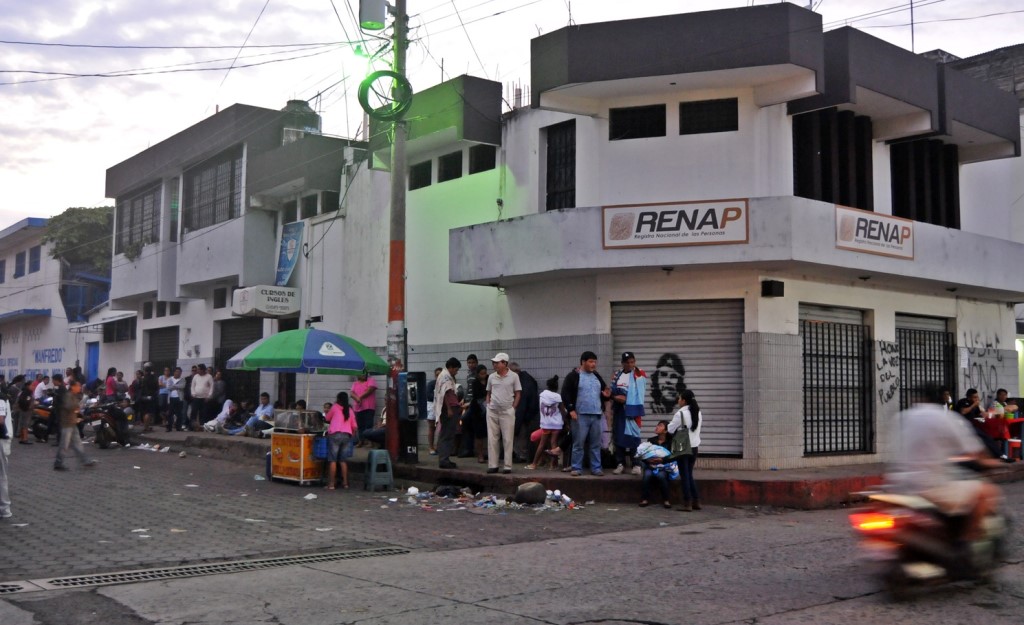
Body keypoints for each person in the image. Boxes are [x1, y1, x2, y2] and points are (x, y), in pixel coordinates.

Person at [888, 383, 1003, 545]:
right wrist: (992, 462)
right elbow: (975, 451)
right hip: (931, 485)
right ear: (941, 398)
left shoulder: (902, 417)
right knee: (986, 492)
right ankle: (966, 541)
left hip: (901, 485)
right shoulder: (945, 417)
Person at [561, 351, 611, 477]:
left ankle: (596, 468)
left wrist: (606, 395)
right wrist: (571, 409)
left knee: (595, 443)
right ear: (583, 362)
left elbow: (604, 391)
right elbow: (565, 394)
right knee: (578, 443)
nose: (593, 364)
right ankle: (576, 467)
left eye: (595, 362)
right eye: (591, 361)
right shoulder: (574, 376)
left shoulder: (596, 376)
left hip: (596, 415)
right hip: (580, 415)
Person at [611, 351, 647, 475]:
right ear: (622, 363)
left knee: (634, 437)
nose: (630, 365)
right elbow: (612, 391)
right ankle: (620, 463)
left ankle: (636, 464)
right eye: (627, 362)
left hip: (633, 411)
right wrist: (616, 398)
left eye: (632, 362)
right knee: (619, 436)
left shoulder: (639, 373)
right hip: (620, 411)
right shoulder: (617, 375)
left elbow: (640, 392)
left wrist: (627, 398)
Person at [485, 353, 522, 474]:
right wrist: (488, 405)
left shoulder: (514, 376)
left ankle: (507, 466)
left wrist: (513, 408)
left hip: (507, 411)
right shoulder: (491, 377)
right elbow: (488, 393)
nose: (494, 364)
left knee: (508, 439)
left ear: (505, 363)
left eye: (497, 362)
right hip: (493, 410)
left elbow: (518, 394)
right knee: (492, 438)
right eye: (494, 362)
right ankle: (493, 465)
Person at [52, 374, 96, 471]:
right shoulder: (68, 395)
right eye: (78, 386)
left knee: (78, 443)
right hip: (67, 423)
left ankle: (85, 460)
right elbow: (68, 406)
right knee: (64, 444)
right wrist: (77, 407)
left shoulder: (73, 395)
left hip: (72, 423)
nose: (79, 388)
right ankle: (58, 463)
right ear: (73, 387)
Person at [668, 389, 703, 511]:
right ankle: (696, 501)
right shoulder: (698, 412)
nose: (678, 401)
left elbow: (670, 429)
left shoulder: (680, 414)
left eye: (679, 398)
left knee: (685, 476)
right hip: (694, 447)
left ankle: (687, 502)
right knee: (689, 474)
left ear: (684, 400)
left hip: (683, 448)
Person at [527, 375, 564, 470]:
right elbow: (562, 411)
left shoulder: (542, 395)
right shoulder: (557, 397)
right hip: (556, 424)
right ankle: (553, 465)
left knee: (542, 444)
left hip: (546, 424)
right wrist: (566, 423)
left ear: (548, 386)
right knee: (553, 443)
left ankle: (534, 464)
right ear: (556, 387)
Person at [637, 420, 675, 508]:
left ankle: (666, 500)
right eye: (657, 425)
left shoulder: (670, 442)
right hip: (650, 466)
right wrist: (649, 461)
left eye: (660, 425)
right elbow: (644, 454)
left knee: (661, 476)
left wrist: (662, 460)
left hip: (664, 467)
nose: (657, 427)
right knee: (647, 475)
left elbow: (672, 457)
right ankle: (644, 499)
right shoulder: (651, 440)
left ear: (665, 431)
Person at [956, 388, 1002, 459]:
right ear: (968, 397)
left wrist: (989, 414)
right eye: (975, 397)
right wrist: (974, 405)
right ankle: (997, 455)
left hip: (976, 425)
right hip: (964, 426)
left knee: (990, 434)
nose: (977, 399)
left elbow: (980, 414)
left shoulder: (975, 405)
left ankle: (997, 454)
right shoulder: (963, 402)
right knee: (983, 437)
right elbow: (963, 411)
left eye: (977, 397)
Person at [324, 392, 357, 489]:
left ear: (338, 399)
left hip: (335, 435)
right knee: (343, 460)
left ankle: (331, 484)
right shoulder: (350, 410)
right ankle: (345, 483)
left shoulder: (334, 407)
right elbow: (354, 426)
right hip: (346, 435)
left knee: (333, 460)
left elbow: (327, 418)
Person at [433, 358, 462, 469]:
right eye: (455, 369)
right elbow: (443, 394)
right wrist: (449, 409)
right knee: (447, 435)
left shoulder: (445, 376)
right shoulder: (445, 377)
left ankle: (444, 458)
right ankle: (444, 460)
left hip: (451, 407)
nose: (456, 371)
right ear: (450, 367)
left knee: (446, 434)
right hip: (448, 409)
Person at [510, 362, 539, 463]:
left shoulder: (523, 382)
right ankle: (521, 454)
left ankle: (521, 455)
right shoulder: (528, 379)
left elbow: (522, 402)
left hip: (525, 413)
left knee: (521, 434)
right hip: (530, 412)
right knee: (523, 434)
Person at [351, 371, 378, 447]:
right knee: (360, 426)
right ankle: (361, 441)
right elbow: (351, 393)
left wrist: (359, 397)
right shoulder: (355, 383)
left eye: (364, 373)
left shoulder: (370, 380)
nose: (363, 375)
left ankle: (369, 441)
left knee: (368, 425)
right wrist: (357, 398)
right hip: (358, 407)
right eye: (361, 373)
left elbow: (370, 390)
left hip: (369, 407)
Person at [190, 364, 214, 431]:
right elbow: (192, 386)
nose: (197, 370)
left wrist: (209, 396)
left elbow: (212, 387)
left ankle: (202, 426)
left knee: (203, 412)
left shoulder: (209, 376)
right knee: (194, 412)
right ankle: (192, 426)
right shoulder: (195, 376)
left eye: (198, 369)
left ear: (202, 370)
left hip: (205, 398)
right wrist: (193, 393)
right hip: (196, 397)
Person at [1, 390, 12, 518]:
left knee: (2, 476)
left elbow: (1, 420)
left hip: (2, 440)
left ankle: (5, 508)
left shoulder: (1, 400)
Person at [426, 367, 442, 455]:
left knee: (441, 427)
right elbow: (429, 395)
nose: (438, 376)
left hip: (442, 406)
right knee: (432, 427)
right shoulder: (431, 384)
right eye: (437, 375)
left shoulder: (445, 384)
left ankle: (439, 446)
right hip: (432, 406)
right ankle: (431, 447)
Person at [167, 367, 186, 431]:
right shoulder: (170, 379)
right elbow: (168, 387)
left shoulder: (182, 379)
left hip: (179, 398)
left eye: (180, 372)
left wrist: (174, 386)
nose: (178, 373)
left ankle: (178, 427)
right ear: (174, 372)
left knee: (179, 414)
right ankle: (169, 427)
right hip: (171, 398)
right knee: (170, 413)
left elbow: (182, 386)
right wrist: (177, 386)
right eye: (177, 371)